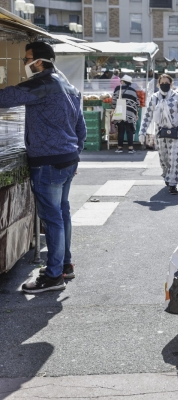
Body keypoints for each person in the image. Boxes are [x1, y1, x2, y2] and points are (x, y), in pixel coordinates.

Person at [0, 42, 86, 293]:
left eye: (26, 59)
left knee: (53, 219)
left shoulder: (43, 83)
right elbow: (82, 129)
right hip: (67, 159)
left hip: (48, 162)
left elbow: (6, 97)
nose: (24, 64)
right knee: (62, 214)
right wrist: (74, 154)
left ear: (39, 62)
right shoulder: (68, 86)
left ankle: (53, 275)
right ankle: (65, 265)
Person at [139, 74, 178, 195]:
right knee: (164, 159)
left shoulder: (177, 97)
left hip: (176, 131)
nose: (164, 85)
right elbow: (148, 116)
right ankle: (167, 174)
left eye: (167, 82)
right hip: (160, 133)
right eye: (162, 83)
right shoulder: (154, 98)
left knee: (174, 159)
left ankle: (173, 183)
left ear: (171, 84)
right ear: (158, 84)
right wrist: (142, 132)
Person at [111, 74, 140, 154]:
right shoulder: (133, 91)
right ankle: (130, 148)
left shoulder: (118, 88)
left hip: (120, 111)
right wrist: (136, 113)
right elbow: (137, 103)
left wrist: (113, 110)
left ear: (123, 81)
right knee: (129, 130)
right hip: (130, 113)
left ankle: (120, 148)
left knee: (121, 130)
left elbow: (114, 100)